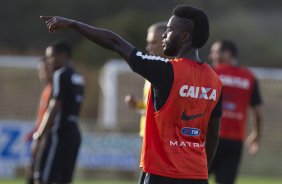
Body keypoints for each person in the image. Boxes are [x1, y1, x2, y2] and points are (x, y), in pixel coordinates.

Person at [41, 5, 222, 184]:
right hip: (197, 175)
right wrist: (202, 169)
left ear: (185, 36)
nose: (165, 35)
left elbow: (115, 43)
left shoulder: (167, 71)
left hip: (162, 174)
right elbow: (213, 134)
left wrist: (74, 25)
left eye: (169, 30)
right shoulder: (214, 80)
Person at [209, 40, 262, 184]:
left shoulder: (212, 72)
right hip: (236, 140)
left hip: (210, 137)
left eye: (215, 52)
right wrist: (256, 133)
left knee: (197, 178)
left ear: (227, 53)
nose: (211, 56)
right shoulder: (249, 76)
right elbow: (257, 110)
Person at [32, 41, 85, 184]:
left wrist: (40, 134)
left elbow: (54, 105)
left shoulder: (60, 75)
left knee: (46, 179)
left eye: (51, 57)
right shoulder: (78, 77)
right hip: (74, 131)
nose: (49, 61)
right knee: (64, 179)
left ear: (63, 56)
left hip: (60, 132)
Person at [124, 21, 168, 184]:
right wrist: (138, 105)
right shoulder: (151, 73)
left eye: (153, 42)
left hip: (162, 143)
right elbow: (154, 106)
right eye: (148, 42)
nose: (149, 47)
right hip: (147, 136)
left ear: (166, 41)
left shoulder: (172, 73)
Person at [25, 57, 52, 184]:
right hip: (40, 138)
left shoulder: (55, 89)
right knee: (32, 176)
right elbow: (42, 118)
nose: (42, 73)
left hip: (47, 140)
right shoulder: (46, 90)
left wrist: (39, 135)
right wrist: (34, 131)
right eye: (40, 70)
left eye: (45, 69)